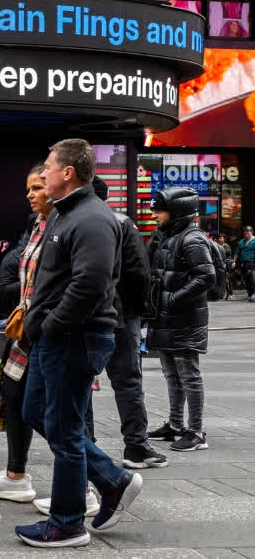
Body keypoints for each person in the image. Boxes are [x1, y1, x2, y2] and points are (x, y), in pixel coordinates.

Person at [16, 139, 143, 548]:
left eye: (49, 168)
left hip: (74, 338)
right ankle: (112, 479)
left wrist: (51, 325)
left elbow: (90, 283)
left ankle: (68, 523)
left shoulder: (90, 218)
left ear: (68, 172)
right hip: (54, 338)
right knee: (37, 411)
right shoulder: (65, 214)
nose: (44, 175)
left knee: (66, 431)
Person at [0, 166, 48, 505]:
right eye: (28, 188)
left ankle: (97, 482)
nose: (29, 194)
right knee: (17, 401)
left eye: (37, 187)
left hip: (54, 333)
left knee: (61, 413)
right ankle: (15, 475)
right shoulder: (38, 225)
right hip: (25, 331)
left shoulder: (73, 223)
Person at [89, 176, 166, 469]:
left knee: (83, 383)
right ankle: (136, 446)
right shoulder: (122, 223)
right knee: (128, 381)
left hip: (87, 316)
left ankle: (87, 446)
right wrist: (138, 311)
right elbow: (138, 272)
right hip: (121, 315)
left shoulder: (70, 221)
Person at [146, 187, 214, 453]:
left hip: (184, 318)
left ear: (176, 212)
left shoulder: (192, 239)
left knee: (189, 376)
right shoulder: (165, 235)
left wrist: (172, 299)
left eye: (159, 210)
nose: (154, 215)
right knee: (171, 374)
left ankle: (196, 431)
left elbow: (206, 276)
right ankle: (175, 425)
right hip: (166, 317)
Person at [238, 226, 255, 301]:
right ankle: (250, 293)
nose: (246, 233)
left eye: (248, 231)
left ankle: (253, 293)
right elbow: (237, 252)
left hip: (252, 261)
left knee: (251, 277)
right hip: (243, 262)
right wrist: (234, 261)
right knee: (246, 278)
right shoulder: (242, 241)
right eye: (245, 231)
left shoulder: (254, 240)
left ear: (252, 232)